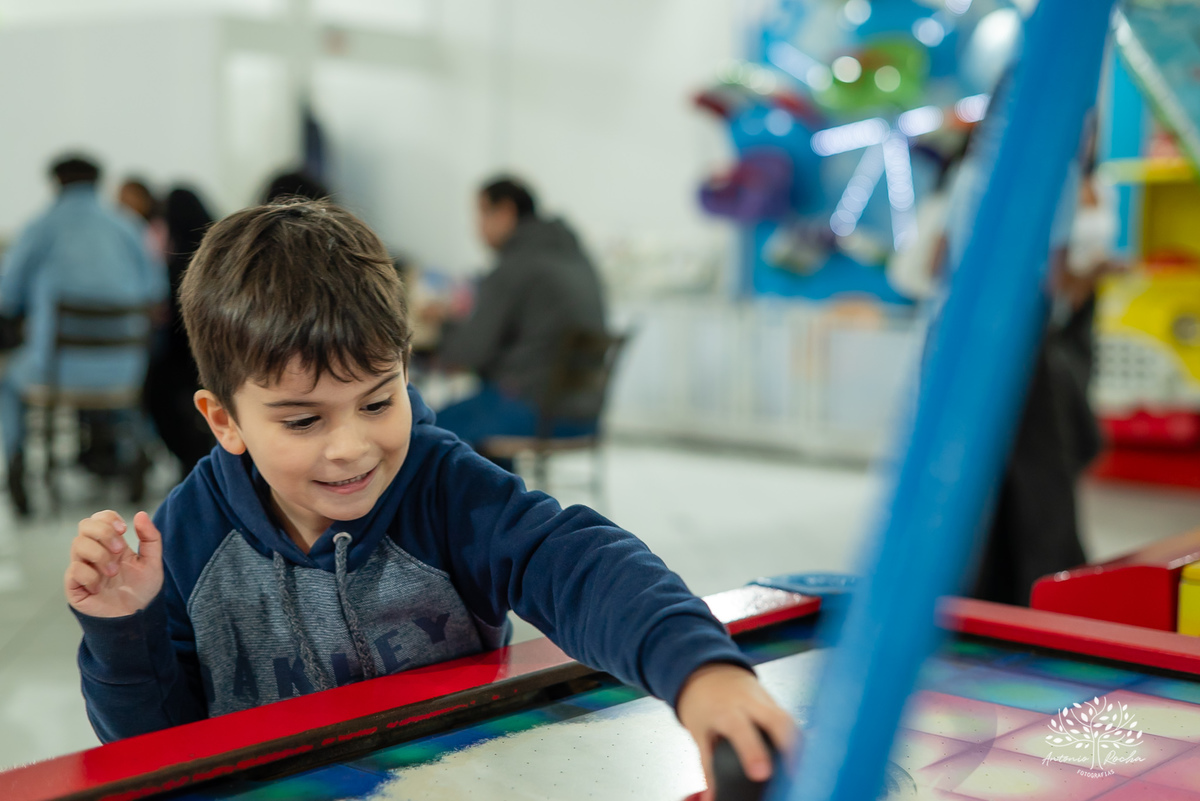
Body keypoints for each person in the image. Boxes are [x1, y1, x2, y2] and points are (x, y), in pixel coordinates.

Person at [63, 199, 793, 792]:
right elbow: (158, 754)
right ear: (225, 420)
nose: (351, 446)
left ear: (405, 368)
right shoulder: (189, 536)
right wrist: (126, 629)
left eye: (379, 402)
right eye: (304, 419)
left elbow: (578, 564)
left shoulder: (445, 486)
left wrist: (702, 670)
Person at [0, 155, 166, 515]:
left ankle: (15, 465)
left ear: (56, 184)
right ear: (98, 183)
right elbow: (156, 292)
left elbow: (8, 294)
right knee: (136, 372)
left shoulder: (41, 226)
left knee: (9, 381)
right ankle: (133, 454)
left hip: (57, 372)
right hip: (125, 372)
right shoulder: (128, 227)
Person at [435, 177, 607, 459]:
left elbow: (468, 353)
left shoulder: (517, 264)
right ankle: (500, 497)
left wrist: (444, 325)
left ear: (504, 211)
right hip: (584, 413)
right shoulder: (573, 255)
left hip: (536, 411)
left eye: (480, 214)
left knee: (423, 430)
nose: (476, 228)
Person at [142, 187, 217, 475]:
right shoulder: (220, 254)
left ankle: (189, 459)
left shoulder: (177, 264)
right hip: (222, 358)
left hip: (185, 362)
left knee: (153, 389)